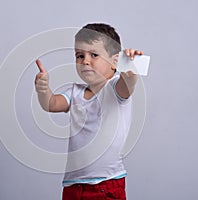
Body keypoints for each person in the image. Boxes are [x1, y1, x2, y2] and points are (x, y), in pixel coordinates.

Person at [35, 23, 144, 200]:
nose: (85, 61)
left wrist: (129, 70)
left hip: (106, 184)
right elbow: (52, 104)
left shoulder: (114, 88)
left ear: (114, 62)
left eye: (94, 55)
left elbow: (127, 85)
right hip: (73, 185)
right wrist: (43, 90)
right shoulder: (74, 92)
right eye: (79, 55)